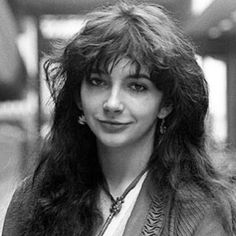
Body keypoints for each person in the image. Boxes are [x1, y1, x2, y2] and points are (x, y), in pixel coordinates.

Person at [2, 1, 236, 235]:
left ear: (165, 104)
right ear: (78, 97)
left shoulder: (198, 209)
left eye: (136, 86)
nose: (112, 103)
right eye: (97, 82)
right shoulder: (34, 198)